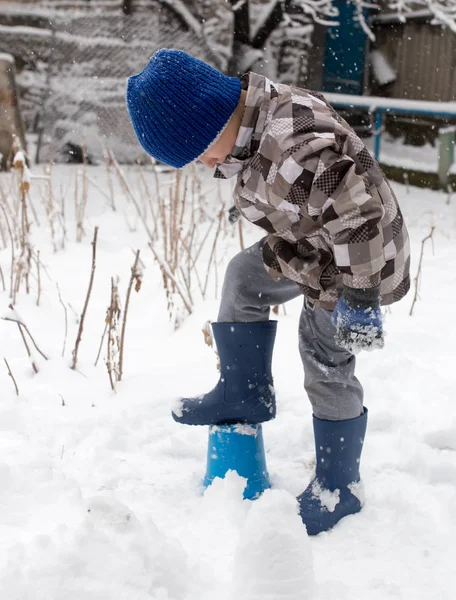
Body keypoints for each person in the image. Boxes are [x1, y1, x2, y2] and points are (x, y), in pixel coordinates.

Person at [126, 49, 410, 535]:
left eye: (200, 152)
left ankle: (338, 486)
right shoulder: (256, 125)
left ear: (212, 119)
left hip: (356, 263)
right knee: (244, 276)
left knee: (323, 354)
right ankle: (245, 392)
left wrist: (359, 298)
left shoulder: (296, 143)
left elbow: (360, 215)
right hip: (309, 246)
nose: (205, 164)